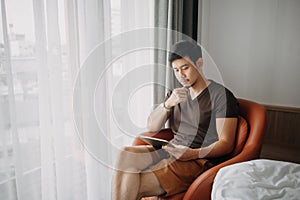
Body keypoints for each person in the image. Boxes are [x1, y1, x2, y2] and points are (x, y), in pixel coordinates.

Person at [112, 40, 239, 200]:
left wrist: (192, 154)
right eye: (176, 70)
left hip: (196, 160)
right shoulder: (176, 94)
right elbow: (152, 126)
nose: (181, 75)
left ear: (199, 63)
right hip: (170, 150)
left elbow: (226, 143)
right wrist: (167, 104)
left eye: (185, 68)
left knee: (132, 183)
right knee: (125, 154)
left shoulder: (221, 96)